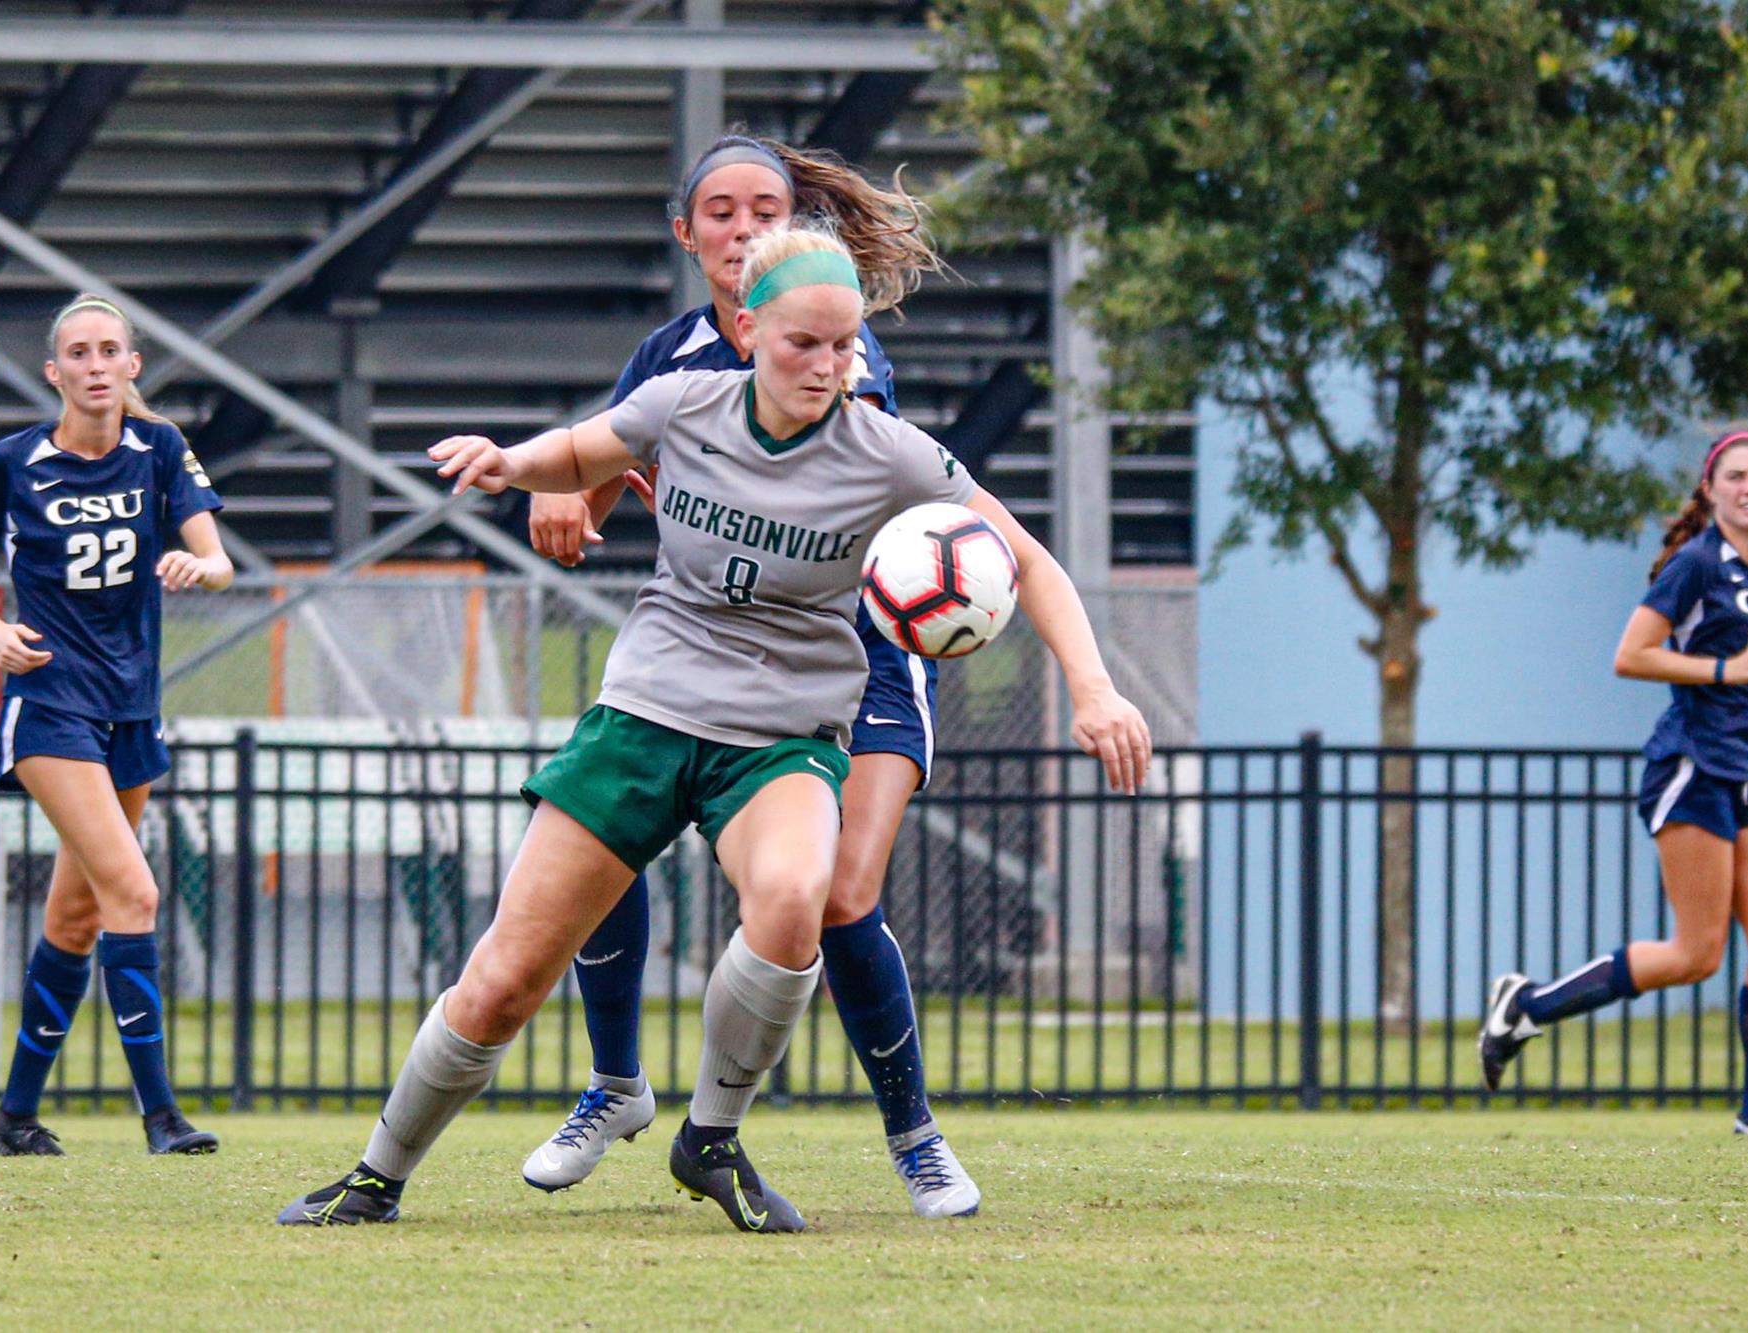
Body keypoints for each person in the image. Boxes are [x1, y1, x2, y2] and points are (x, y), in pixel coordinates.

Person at [277, 226, 1150, 1232]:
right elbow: (579, 452)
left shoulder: (890, 453)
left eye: (843, 345)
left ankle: (711, 1137)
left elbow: (1028, 561)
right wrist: (506, 462)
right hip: (647, 711)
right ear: (747, 329)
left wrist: (1093, 686)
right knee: (506, 980)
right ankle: (376, 1176)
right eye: (801, 343)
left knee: (790, 900)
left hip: (784, 732)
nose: (826, 366)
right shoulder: (680, 405)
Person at [522, 133, 983, 1218]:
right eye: (718, 212)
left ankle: (912, 1132)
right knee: (603, 831)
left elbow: (889, 487)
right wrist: (556, 496)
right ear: (685, 235)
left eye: (762, 208)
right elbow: (591, 476)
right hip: (702, 659)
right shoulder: (668, 356)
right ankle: (614, 1084)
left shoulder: (827, 338)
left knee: (838, 893)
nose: (740, 229)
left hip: (853, 654)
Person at [1479, 424, 1748, 1133]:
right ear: (1711, 490)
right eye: (1738, 477)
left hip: (1747, 764)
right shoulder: (1695, 563)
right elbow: (1632, 655)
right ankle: (1526, 1007)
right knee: (1696, 953)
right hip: (1691, 765)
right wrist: (1722, 670)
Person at [0, 293, 233, 1157]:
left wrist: (200, 563)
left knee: (76, 919)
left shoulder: (159, 450)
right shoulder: (13, 461)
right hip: (48, 705)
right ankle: (160, 1116)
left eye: (112, 348)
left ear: (133, 366)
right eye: (79, 352)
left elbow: (218, 561)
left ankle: (14, 1119)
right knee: (135, 893)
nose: (97, 363)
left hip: (131, 708)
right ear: (56, 371)